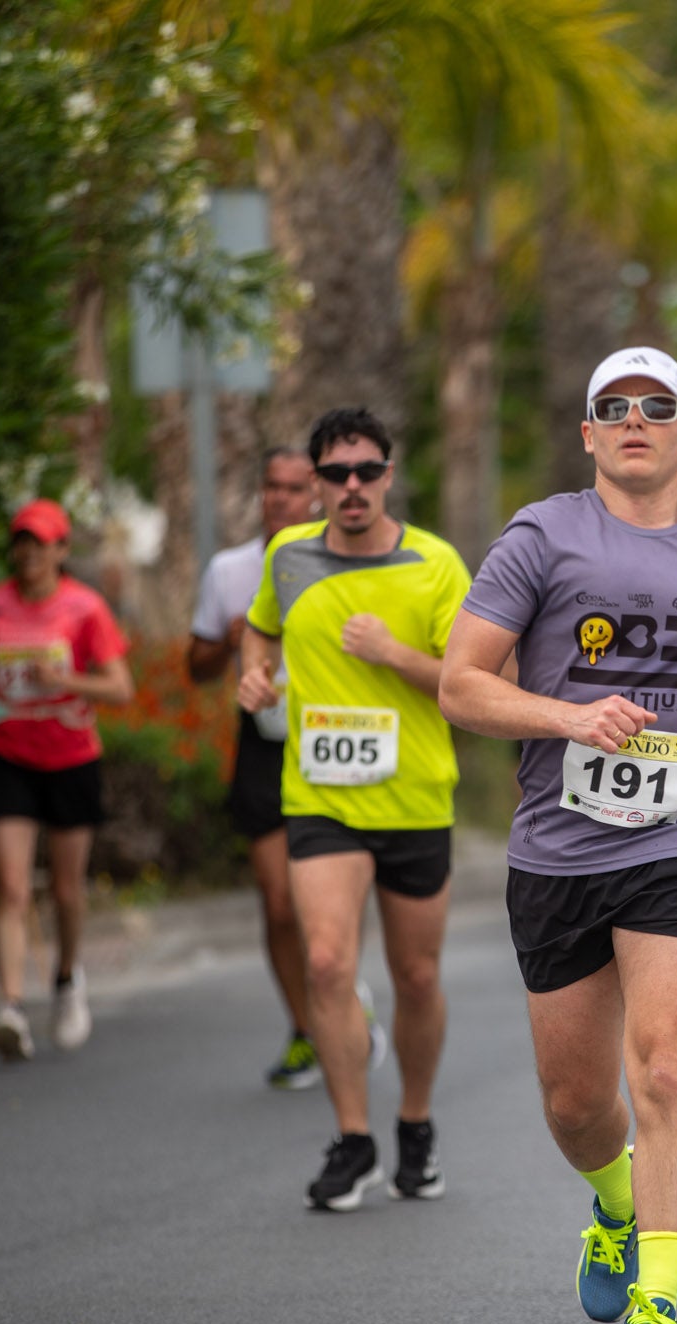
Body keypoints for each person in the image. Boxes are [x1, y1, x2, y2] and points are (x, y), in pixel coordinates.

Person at [439, 347, 677, 1324]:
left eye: (658, 405)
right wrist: (566, 718)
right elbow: (461, 684)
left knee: (666, 1066)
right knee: (575, 1103)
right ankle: (614, 1199)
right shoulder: (541, 537)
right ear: (588, 433)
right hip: (559, 847)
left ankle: (657, 1304)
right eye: (614, 406)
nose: (635, 418)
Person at [237, 407, 470, 1211]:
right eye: (334, 475)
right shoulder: (287, 556)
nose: (352, 487)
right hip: (321, 798)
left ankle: (415, 1122)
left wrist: (392, 653)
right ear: (314, 485)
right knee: (329, 962)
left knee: (416, 974)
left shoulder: (435, 564)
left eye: (366, 470)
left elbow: (467, 682)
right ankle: (353, 1138)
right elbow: (259, 629)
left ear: (389, 474)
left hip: (413, 797)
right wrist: (254, 672)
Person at [188, 446, 376, 1090]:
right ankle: (307, 1029)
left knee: (332, 897)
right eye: (271, 487)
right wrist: (232, 639)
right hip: (265, 742)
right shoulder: (231, 569)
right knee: (277, 904)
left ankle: (344, 991)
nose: (280, 499)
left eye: (294, 489)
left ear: (317, 496)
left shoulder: (351, 560)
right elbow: (195, 667)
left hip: (338, 736)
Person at [0, 499, 133, 1062]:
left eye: (41, 542)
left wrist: (65, 679)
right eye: (21, 541)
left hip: (71, 756)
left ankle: (65, 978)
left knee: (64, 890)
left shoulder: (85, 609)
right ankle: (10, 1006)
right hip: (8, 752)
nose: (29, 552)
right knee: (10, 885)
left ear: (61, 550)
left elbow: (121, 688)